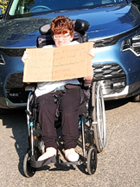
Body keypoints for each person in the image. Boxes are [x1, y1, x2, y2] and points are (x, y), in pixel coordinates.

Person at [21, 16, 96, 162]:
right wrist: (27, 64)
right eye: (57, 35)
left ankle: (69, 148)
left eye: (65, 35)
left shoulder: (78, 49)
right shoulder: (45, 50)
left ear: (71, 35)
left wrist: (88, 61)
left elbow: (88, 79)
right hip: (46, 89)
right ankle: (50, 148)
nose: (61, 39)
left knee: (69, 108)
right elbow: (30, 80)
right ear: (52, 35)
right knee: (44, 107)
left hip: (71, 86)